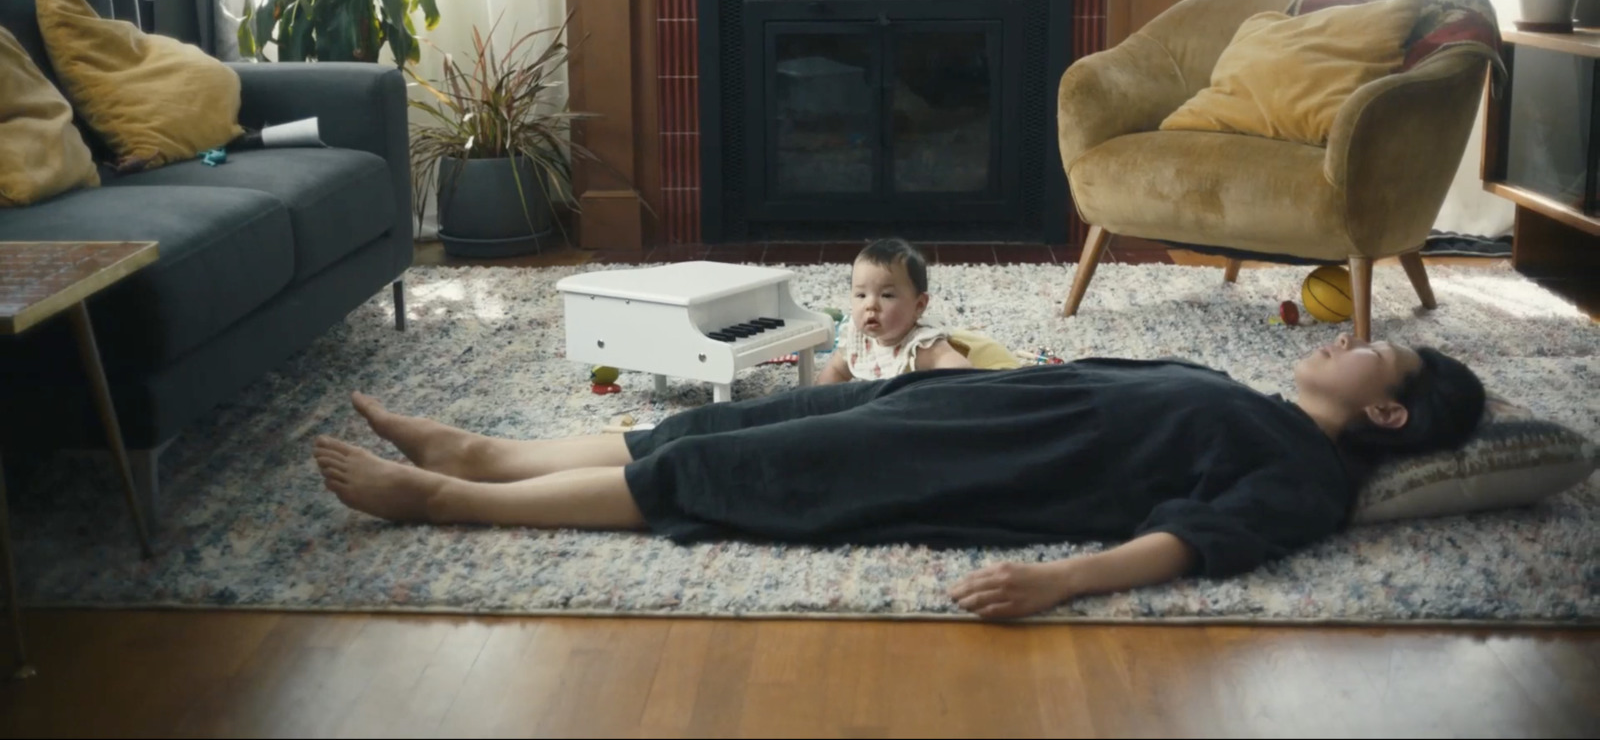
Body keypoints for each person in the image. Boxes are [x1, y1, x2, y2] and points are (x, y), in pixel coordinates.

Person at [313, 334, 1486, 620]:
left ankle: (449, 498)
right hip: (953, 404)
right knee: (734, 422)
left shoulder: (1304, 476)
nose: (1348, 331)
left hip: (968, 462)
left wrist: (1064, 580)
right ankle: (487, 453)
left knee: (729, 473)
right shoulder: (1262, 401)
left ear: (1385, 408)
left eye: (1372, 347)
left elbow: (1199, 537)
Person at [814, 238, 974, 383]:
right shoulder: (858, 340)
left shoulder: (920, 344)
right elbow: (836, 371)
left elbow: (960, 372)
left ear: (918, 306)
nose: (870, 305)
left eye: (887, 295)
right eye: (861, 295)